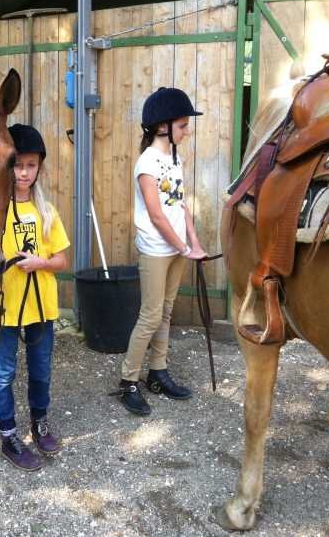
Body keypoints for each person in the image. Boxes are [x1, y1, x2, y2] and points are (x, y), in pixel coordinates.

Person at [116, 87, 207, 416]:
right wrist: (182, 246)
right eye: (182, 125)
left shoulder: (175, 159)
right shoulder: (147, 163)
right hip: (156, 249)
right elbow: (156, 215)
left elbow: (180, 206)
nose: (187, 131)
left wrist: (194, 243)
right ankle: (128, 380)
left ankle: (158, 372)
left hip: (177, 248)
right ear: (161, 126)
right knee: (151, 315)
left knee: (166, 311)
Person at [0, 124, 70, 472]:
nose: (23, 172)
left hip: (40, 304)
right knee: (4, 372)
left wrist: (40, 263)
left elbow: (62, 260)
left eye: (30, 165)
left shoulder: (46, 211)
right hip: (6, 304)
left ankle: (39, 423)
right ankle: (8, 435)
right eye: (17, 165)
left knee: (41, 369)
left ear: (39, 168)